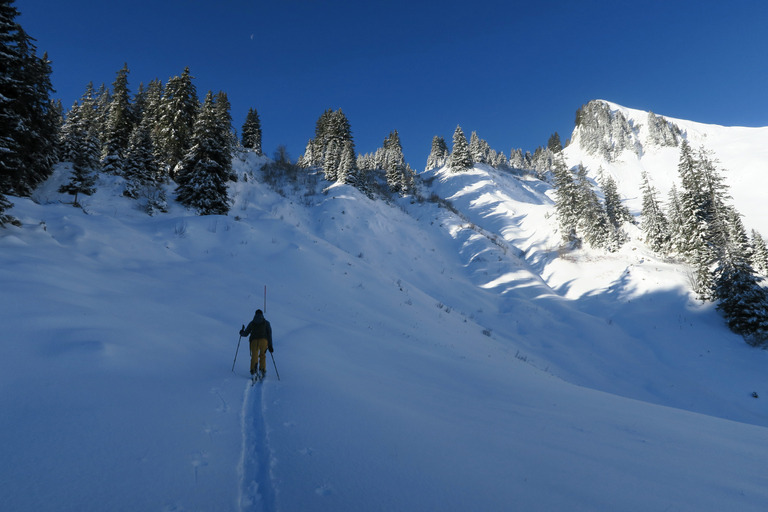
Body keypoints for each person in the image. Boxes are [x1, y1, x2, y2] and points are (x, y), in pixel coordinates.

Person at [239, 309, 273, 378]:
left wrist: (241, 332)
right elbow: (269, 334)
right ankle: (262, 370)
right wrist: (270, 345)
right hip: (264, 340)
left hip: (254, 341)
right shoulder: (266, 323)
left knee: (254, 356)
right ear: (262, 314)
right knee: (262, 355)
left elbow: (246, 333)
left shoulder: (252, 323)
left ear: (255, 314)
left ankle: (253, 370)